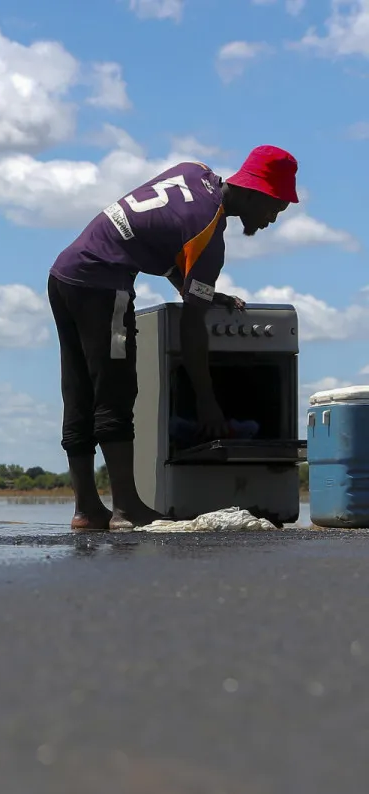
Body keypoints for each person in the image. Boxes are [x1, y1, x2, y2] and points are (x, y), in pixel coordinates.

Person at [48, 145, 296, 530]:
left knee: (78, 390)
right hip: (103, 284)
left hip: (64, 274)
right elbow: (192, 326)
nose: (271, 220)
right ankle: (127, 509)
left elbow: (161, 239)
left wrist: (202, 292)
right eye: (274, 209)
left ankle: (86, 509)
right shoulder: (210, 234)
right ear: (257, 192)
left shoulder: (193, 171)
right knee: (115, 392)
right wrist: (207, 402)